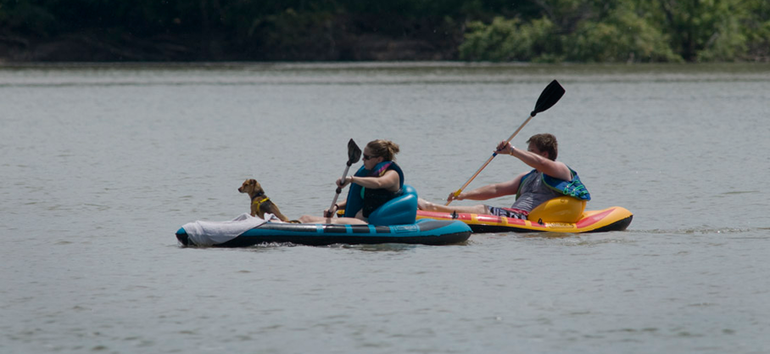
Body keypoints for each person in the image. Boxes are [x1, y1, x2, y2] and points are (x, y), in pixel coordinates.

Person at [418, 133, 590, 219]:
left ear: (544, 154)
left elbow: (542, 164)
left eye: (531, 151)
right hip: (515, 214)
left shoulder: (560, 170)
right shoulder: (527, 176)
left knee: (484, 210)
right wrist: (464, 195)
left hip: (523, 217)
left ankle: (431, 208)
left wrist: (513, 151)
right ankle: (435, 209)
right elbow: (496, 189)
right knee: (486, 207)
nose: (526, 153)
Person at [299, 139, 403, 225]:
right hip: (358, 220)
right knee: (305, 218)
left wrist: (352, 179)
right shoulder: (368, 174)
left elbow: (379, 183)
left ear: (379, 159)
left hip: (368, 222)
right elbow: (358, 198)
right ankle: (289, 224)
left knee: (331, 222)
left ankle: (288, 228)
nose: (362, 159)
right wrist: (336, 206)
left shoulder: (392, 174)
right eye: (363, 155)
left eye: (367, 157)